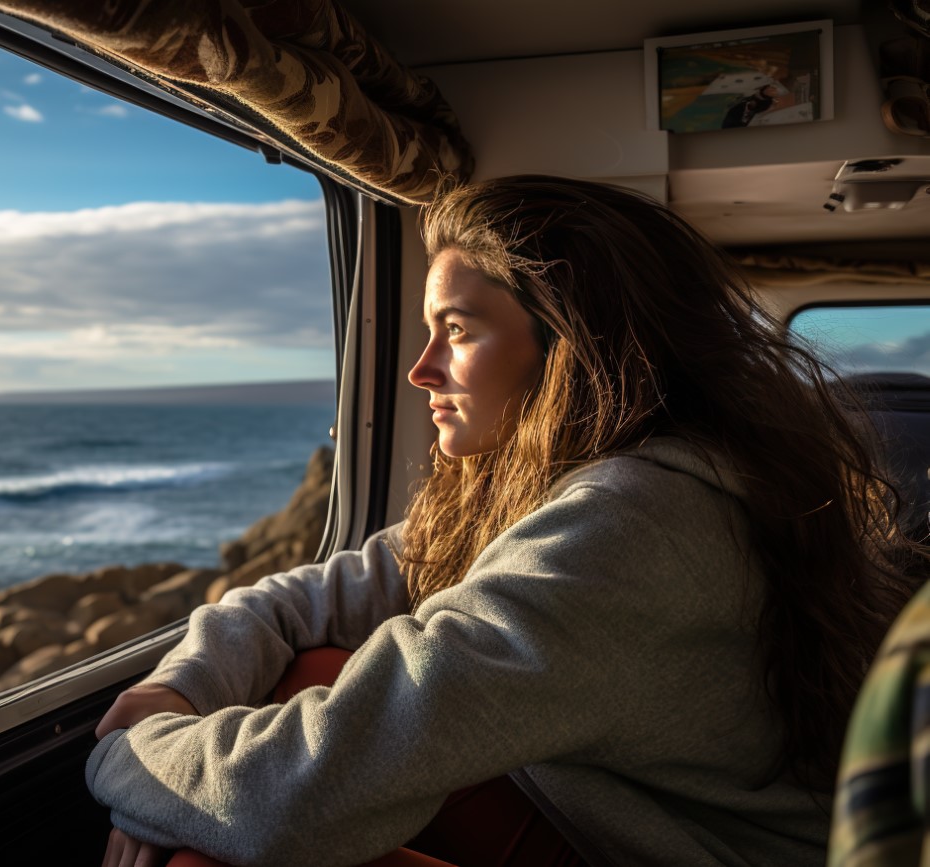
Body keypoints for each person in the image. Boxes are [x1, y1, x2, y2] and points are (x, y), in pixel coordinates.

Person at [86, 175, 926, 867]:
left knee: (213, 852)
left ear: (574, 345)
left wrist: (131, 761)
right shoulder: (551, 486)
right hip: (594, 815)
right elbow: (313, 596)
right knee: (315, 669)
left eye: (456, 330)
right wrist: (180, 685)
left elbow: (292, 796)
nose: (420, 371)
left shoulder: (632, 526)